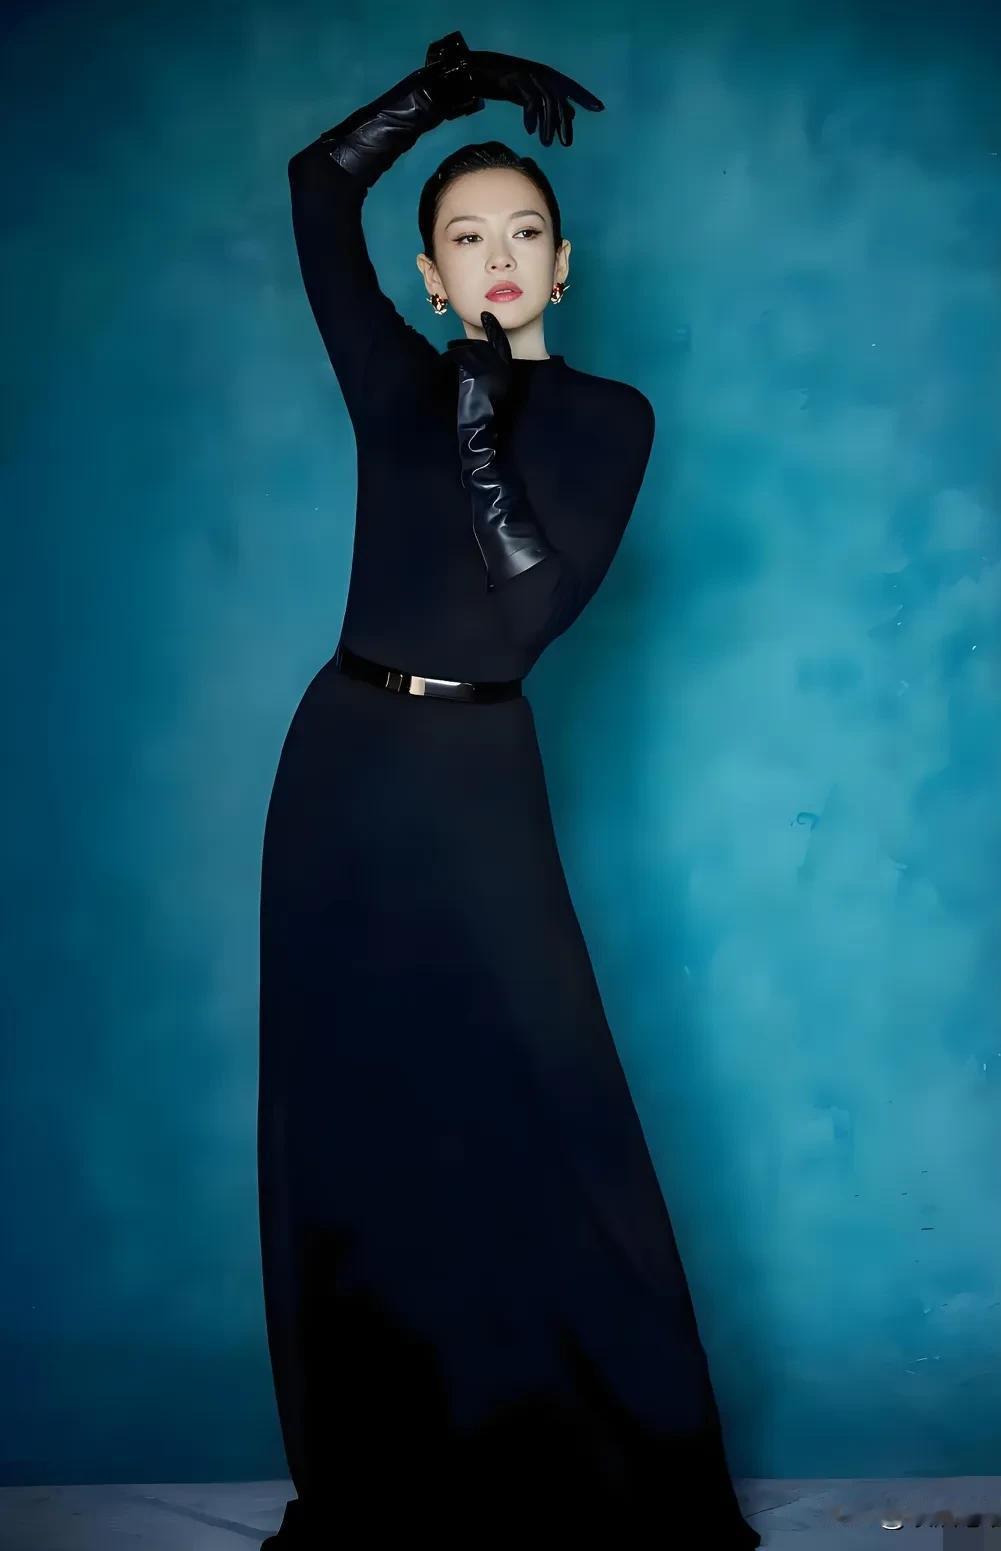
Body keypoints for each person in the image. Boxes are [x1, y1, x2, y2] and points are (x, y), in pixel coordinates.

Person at [257, 30, 762, 1549]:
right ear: (429, 275)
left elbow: (530, 606)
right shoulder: (392, 381)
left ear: (563, 265)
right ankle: (393, 1463)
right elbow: (313, 189)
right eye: (465, 238)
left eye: (523, 233)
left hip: (476, 769)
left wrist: (484, 410)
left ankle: (608, 1460)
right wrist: (438, 94)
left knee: (550, 1092)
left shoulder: (612, 417)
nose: (496, 258)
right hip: (342, 770)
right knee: (360, 1113)